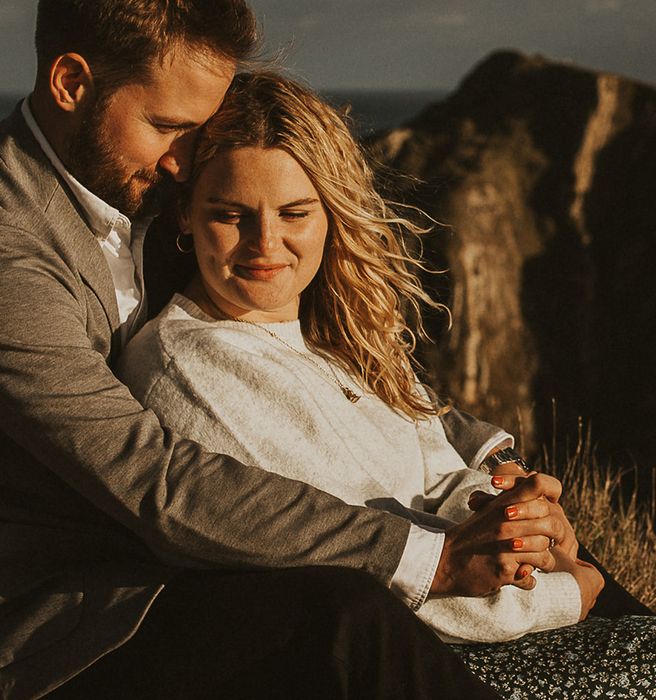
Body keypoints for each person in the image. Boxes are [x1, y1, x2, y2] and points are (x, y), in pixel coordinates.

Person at [0, 2, 584, 698]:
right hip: (23, 636)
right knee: (347, 619)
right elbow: (153, 477)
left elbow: (346, 365)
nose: (181, 159)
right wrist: (434, 557)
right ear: (71, 83)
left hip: (137, 571)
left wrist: (501, 477)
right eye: (167, 125)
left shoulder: (141, 194)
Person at [117, 71, 656, 698]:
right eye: (229, 215)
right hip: (429, 658)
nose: (267, 244)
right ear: (185, 212)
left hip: (493, 619)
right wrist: (568, 591)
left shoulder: (333, 336)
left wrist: (523, 524)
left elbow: (437, 473)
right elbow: (363, 581)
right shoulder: (194, 371)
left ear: (330, 214)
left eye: (295, 212)